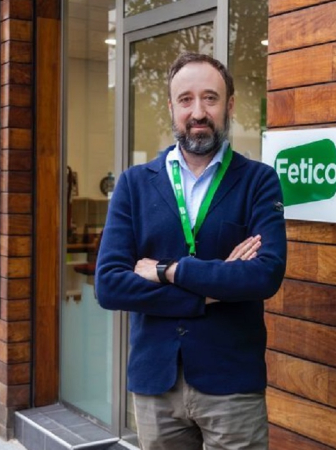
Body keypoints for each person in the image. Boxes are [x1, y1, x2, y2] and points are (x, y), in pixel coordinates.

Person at [95, 52, 287, 450]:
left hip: (232, 384)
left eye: (210, 98)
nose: (198, 112)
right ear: (171, 107)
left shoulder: (258, 181)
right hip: (156, 383)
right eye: (186, 99)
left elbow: (264, 275)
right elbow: (110, 286)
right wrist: (211, 291)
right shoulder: (134, 184)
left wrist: (168, 270)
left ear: (229, 105)